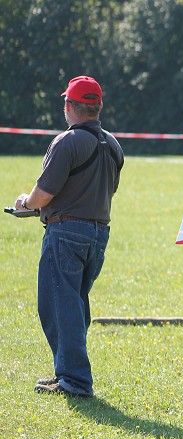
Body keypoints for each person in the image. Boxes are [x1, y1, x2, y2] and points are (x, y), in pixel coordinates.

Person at [15, 75, 124, 397]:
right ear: (99, 106)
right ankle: (67, 373)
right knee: (73, 307)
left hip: (66, 232)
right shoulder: (114, 144)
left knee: (58, 308)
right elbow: (109, 189)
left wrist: (25, 203)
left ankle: (75, 381)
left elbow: (43, 193)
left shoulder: (67, 141)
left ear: (69, 105)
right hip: (98, 234)